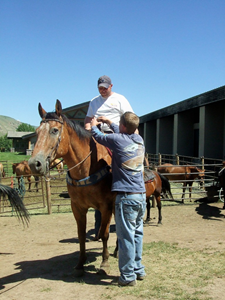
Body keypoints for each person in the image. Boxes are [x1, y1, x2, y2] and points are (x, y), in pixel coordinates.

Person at [91, 112, 146, 287]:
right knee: (137, 234)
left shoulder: (117, 140)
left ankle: (128, 276)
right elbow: (123, 131)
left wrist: (93, 124)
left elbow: (98, 136)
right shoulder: (139, 140)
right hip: (141, 196)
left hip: (126, 197)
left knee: (126, 238)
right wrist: (111, 122)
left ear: (122, 126)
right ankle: (138, 269)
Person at [85, 75, 134, 240]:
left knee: (125, 158)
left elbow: (129, 119)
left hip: (115, 135)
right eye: (100, 87)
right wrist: (89, 127)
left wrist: (111, 124)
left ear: (111, 86)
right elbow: (87, 120)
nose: (102, 90)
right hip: (96, 135)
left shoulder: (120, 100)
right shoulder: (94, 101)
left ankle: (131, 180)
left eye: (105, 87)